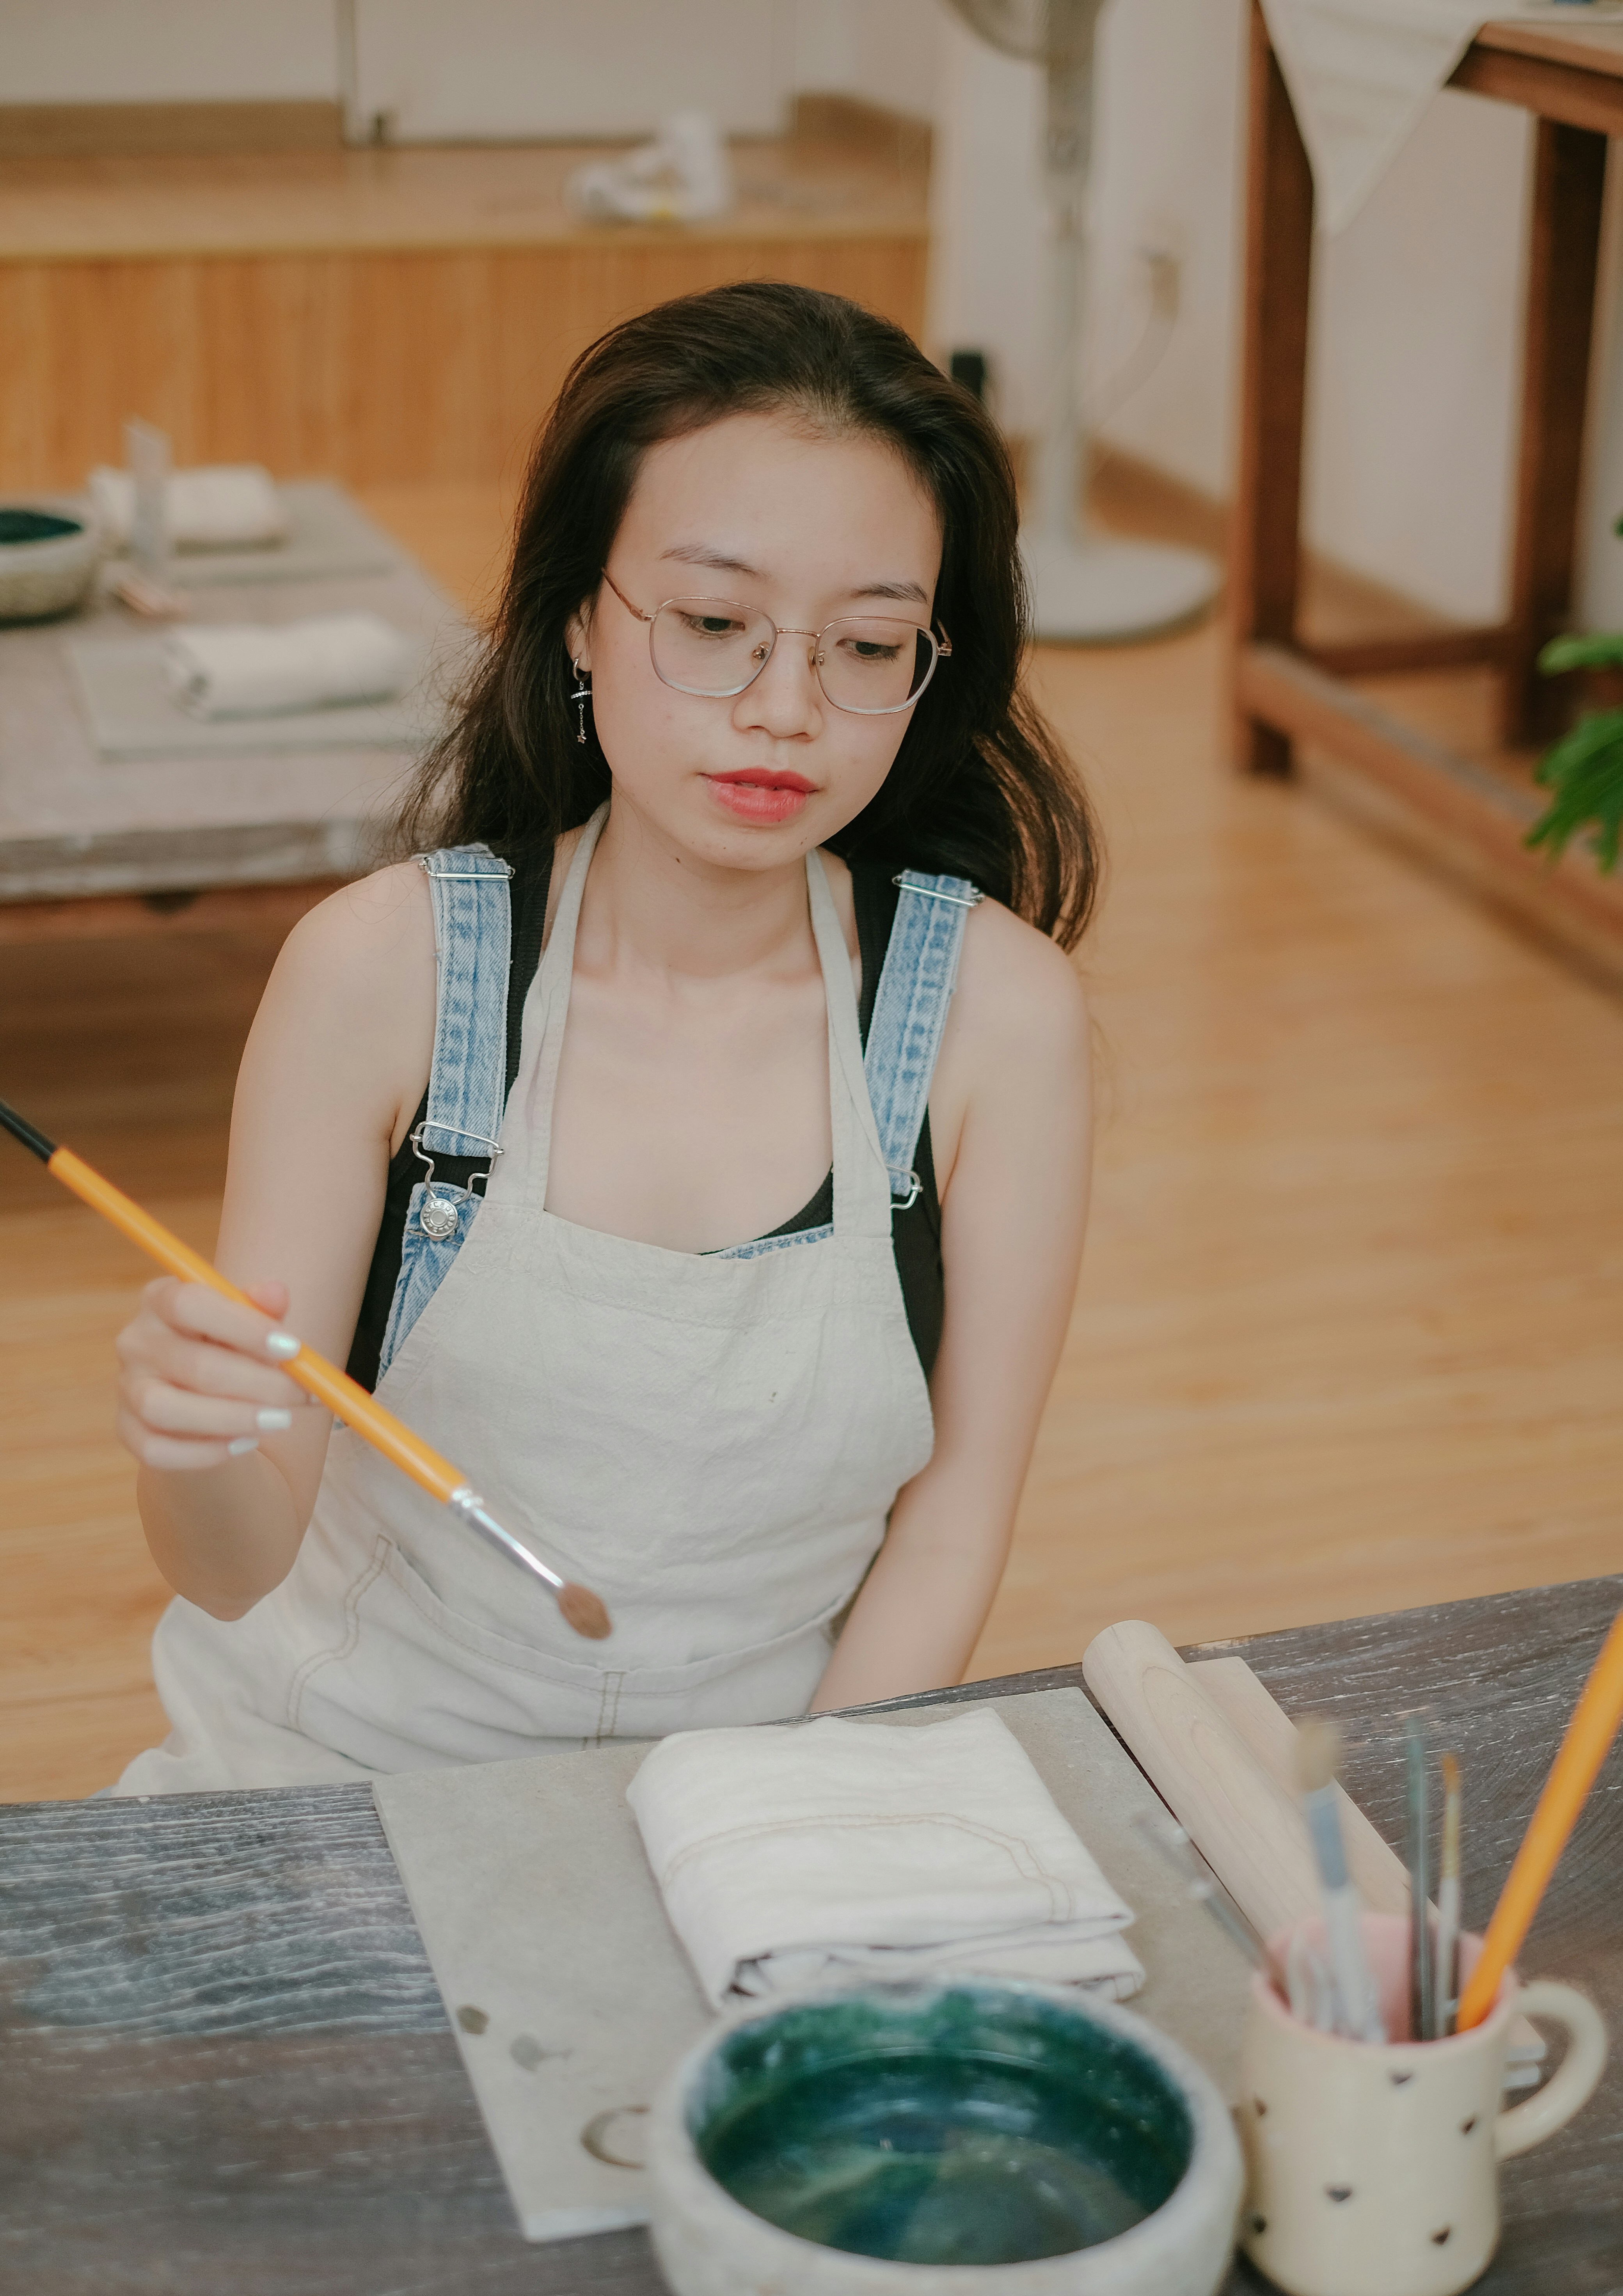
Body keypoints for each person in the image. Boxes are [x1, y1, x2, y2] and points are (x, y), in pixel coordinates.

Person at [110, 281, 1100, 1794]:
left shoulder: (996, 1017)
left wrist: (783, 1827)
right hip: (337, 1780)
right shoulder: (382, 971)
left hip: (752, 1798)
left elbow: (955, 1516)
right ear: (581, 611)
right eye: (712, 624)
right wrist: (190, 1445)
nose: (785, 708)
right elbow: (236, 1568)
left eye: (865, 645)